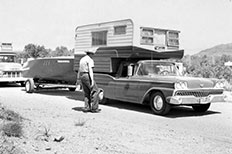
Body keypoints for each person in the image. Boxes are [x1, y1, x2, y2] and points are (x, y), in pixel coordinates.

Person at [77, 48, 101, 113]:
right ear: (91, 54)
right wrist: (92, 80)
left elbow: (79, 69)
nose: (93, 55)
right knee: (95, 91)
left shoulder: (82, 59)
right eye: (93, 54)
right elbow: (90, 70)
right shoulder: (90, 60)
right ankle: (94, 108)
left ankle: (86, 107)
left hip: (82, 75)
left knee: (86, 92)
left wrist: (78, 79)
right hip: (87, 75)